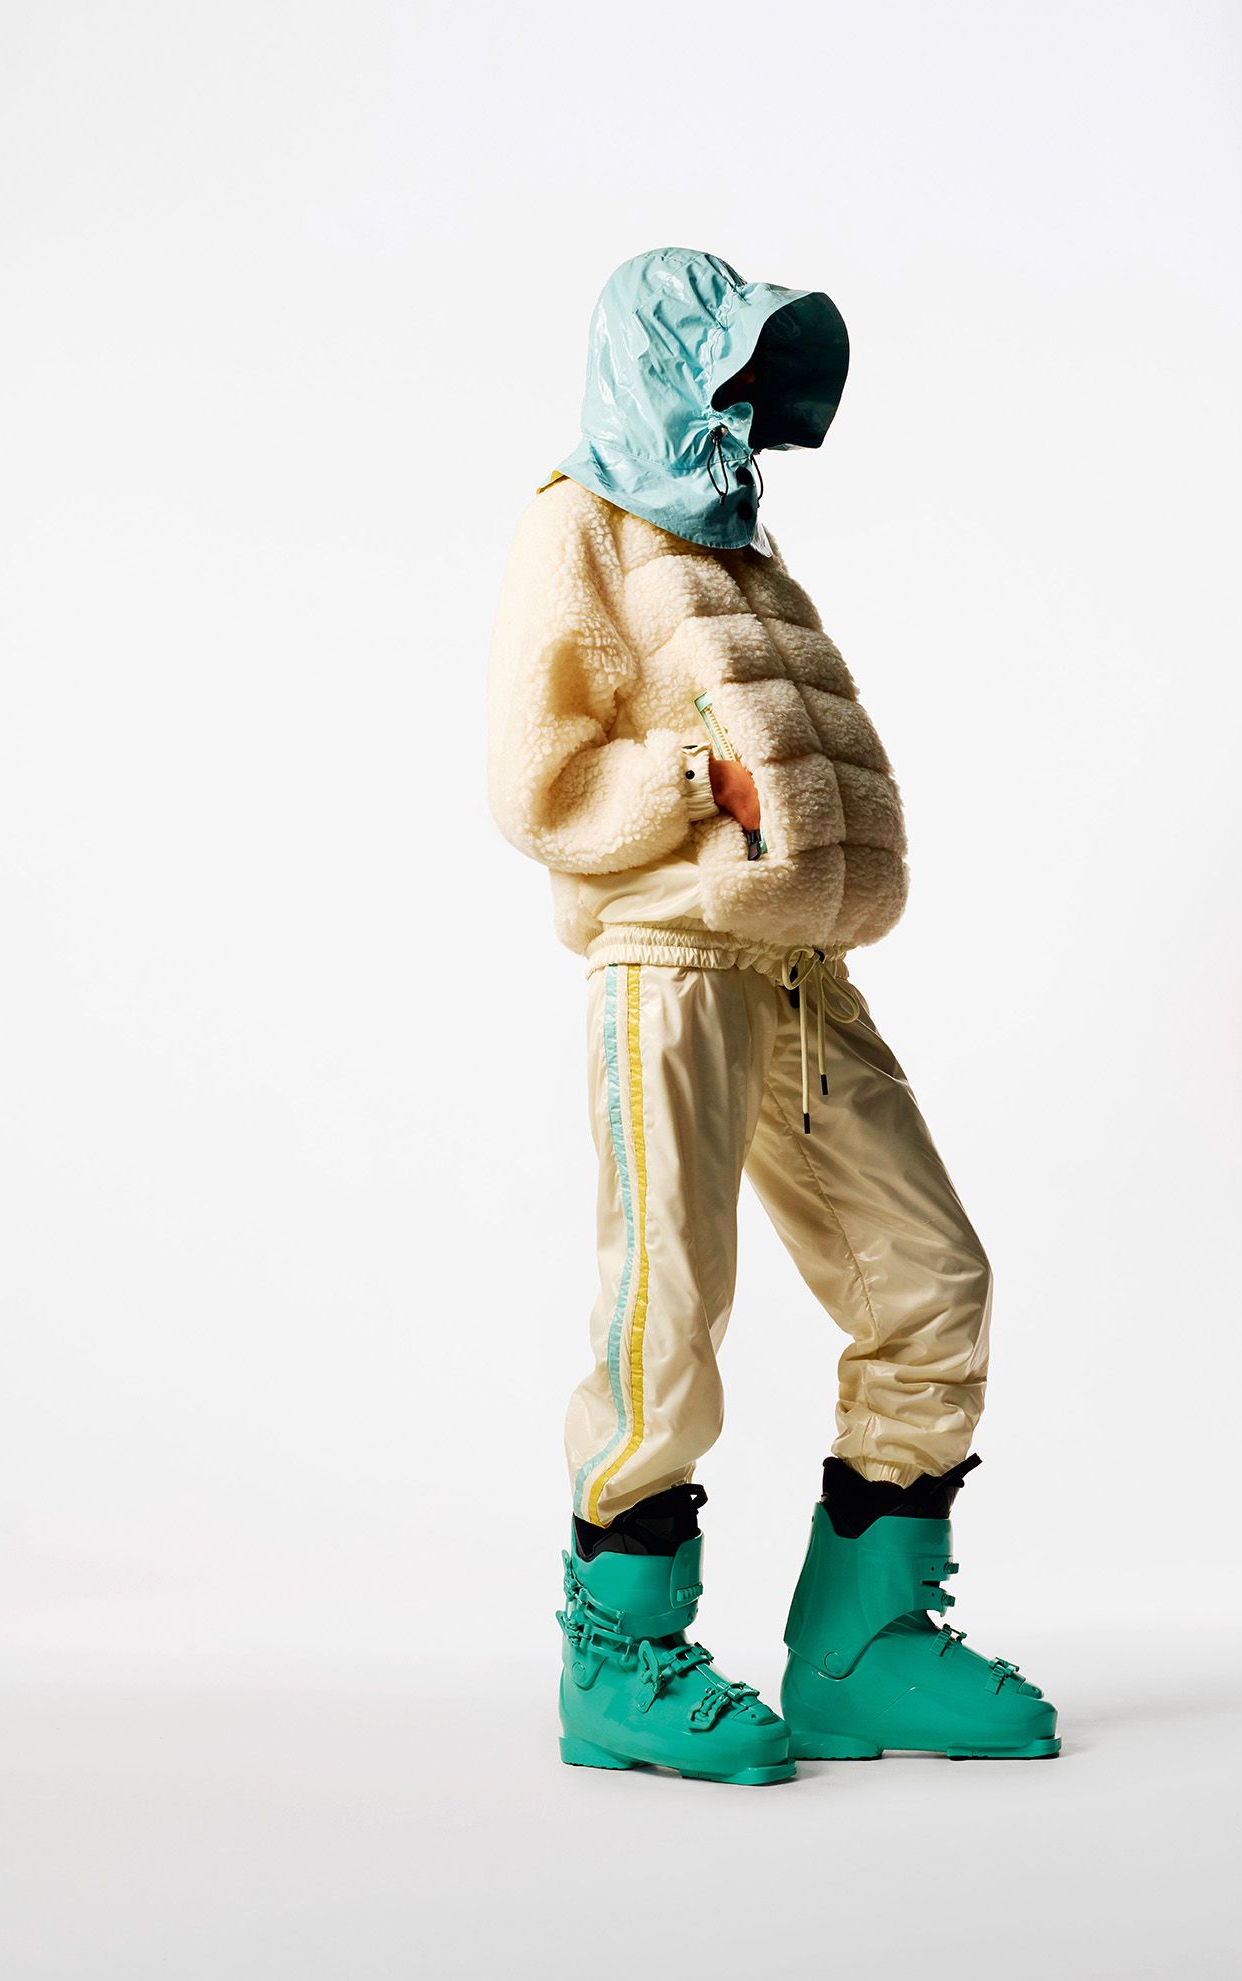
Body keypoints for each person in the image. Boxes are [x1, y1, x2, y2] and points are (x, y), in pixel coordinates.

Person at [485, 246, 1059, 1785]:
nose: (744, 403)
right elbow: (532, 777)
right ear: (659, 370)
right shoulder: (578, 520)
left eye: (757, 374)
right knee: (665, 1307)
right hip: (666, 965)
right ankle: (618, 1659)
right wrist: (696, 780)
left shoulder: (738, 541)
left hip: (799, 970)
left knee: (929, 1273)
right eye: (722, 368)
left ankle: (862, 1646)